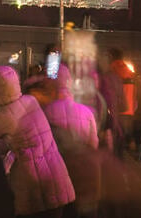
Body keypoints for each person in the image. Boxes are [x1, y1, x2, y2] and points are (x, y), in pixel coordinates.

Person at [0, 65, 75, 218]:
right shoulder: (29, 100)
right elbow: (25, 136)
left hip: (34, 185)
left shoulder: (5, 115)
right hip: (55, 175)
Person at [40, 66, 101, 218]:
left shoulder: (46, 111)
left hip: (57, 171)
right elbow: (93, 144)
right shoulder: (87, 112)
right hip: (83, 170)